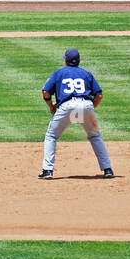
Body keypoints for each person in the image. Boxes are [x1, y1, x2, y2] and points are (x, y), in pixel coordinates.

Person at [38, 48, 113, 180]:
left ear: (66, 60)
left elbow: (45, 92)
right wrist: (90, 109)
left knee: (51, 136)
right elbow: (99, 95)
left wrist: (51, 107)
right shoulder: (86, 73)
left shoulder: (58, 73)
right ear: (78, 61)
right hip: (85, 104)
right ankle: (107, 169)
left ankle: (47, 170)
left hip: (67, 106)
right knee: (95, 136)